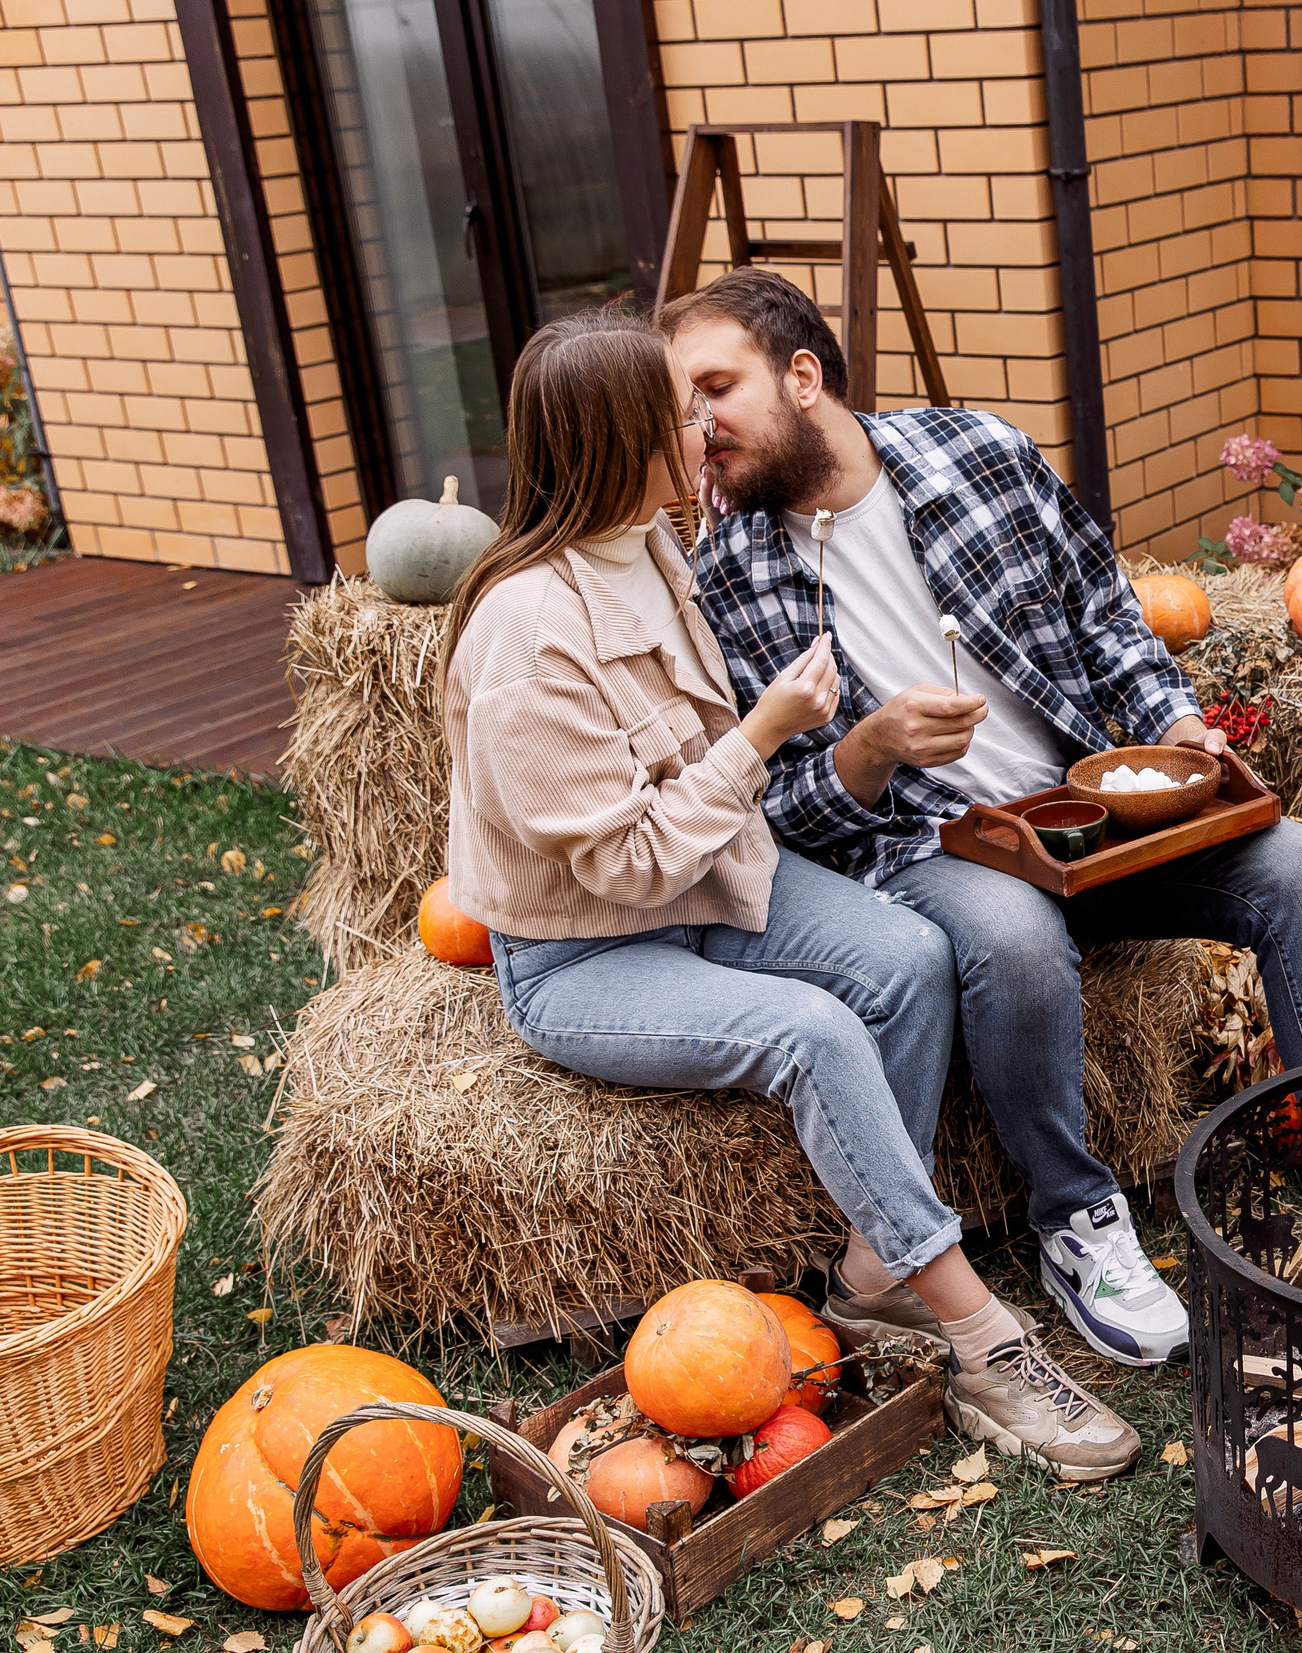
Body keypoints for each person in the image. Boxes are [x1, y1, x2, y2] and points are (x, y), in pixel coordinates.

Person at [440, 309, 1140, 1482]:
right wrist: (765, 735)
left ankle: (872, 1279)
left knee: (909, 956)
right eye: (678, 415)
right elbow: (627, 866)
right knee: (814, 1034)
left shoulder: (658, 548)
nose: (704, 425)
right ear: (623, 442)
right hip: (588, 954)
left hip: (711, 882)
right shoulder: (521, 638)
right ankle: (981, 1338)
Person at [663, 268, 1302, 1367]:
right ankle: (1077, 1219)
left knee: (1291, 865)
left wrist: (1176, 725)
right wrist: (866, 750)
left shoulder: (982, 457)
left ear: (802, 377)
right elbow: (781, 821)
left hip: (1091, 813)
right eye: (680, 405)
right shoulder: (725, 577)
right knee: (1007, 932)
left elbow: (1109, 622)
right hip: (926, 847)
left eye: (715, 388)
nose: (696, 427)